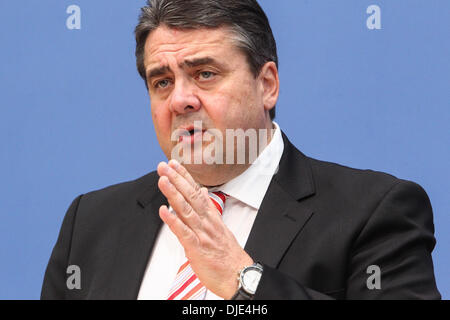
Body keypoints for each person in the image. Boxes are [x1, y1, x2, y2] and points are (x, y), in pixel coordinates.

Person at [41, 0, 441, 300]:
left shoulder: (373, 212)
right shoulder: (91, 223)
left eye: (205, 74)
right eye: (161, 81)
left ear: (266, 84)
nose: (180, 99)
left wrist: (244, 278)